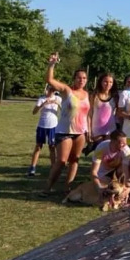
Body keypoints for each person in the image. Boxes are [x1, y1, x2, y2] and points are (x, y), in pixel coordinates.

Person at [42, 53, 91, 195]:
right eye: (79, 77)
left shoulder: (87, 94)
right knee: (62, 161)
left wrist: (88, 132)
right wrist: (52, 65)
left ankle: (67, 188)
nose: (81, 80)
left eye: (84, 78)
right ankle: (47, 188)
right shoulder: (67, 91)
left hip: (80, 133)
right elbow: (50, 80)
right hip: (64, 132)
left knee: (75, 160)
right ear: (74, 79)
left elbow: (87, 115)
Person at [28, 85, 62, 177]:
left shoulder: (58, 99)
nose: (50, 92)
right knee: (38, 146)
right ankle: (32, 168)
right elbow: (34, 112)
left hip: (53, 126)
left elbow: (64, 111)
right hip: (42, 126)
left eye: (52, 90)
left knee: (52, 147)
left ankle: (53, 168)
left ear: (54, 91)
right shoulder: (42, 99)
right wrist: (43, 104)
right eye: (49, 90)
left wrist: (58, 103)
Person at [86, 73, 118, 155]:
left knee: (109, 153)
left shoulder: (115, 96)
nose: (108, 84)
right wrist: (89, 130)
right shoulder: (94, 96)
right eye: (105, 81)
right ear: (101, 82)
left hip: (110, 129)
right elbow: (89, 114)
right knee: (99, 153)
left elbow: (119, 113)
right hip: (96, 129)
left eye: (110, 82)